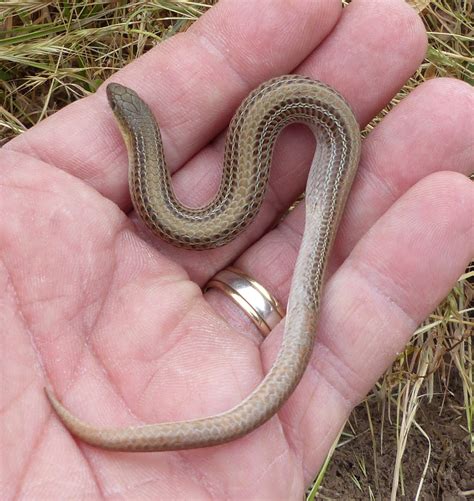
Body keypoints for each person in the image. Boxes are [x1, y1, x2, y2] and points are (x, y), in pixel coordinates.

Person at [1, 0, 472, 498]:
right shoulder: (155, 187)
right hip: (253, 174)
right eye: (119, 109)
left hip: (328, 134)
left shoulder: (158, 177)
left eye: (115, 110)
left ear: (129, 130)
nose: (114, 104)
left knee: (319, 239)